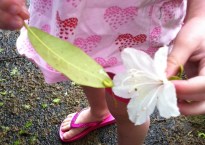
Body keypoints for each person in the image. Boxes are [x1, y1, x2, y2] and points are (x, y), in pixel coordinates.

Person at [0, 0, 204, 144]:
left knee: (130, 112)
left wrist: (199, 15)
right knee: (84, 68)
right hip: (73, 21)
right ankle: (99, 111)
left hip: (140, 34)